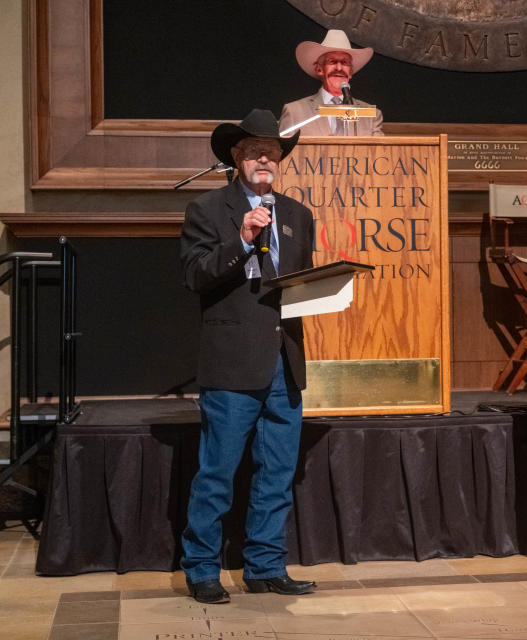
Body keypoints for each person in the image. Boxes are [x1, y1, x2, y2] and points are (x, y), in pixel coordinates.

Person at [179, 108, 316, 604]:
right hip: (233, 362)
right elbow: (195, 276)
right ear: (237, 158)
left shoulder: (299, 215)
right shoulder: (208, 211)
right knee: (217, 473)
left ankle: (265, 566)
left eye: (273, 151)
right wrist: (242, 240)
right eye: (256, 150)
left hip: (286, 361)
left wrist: (327, 291)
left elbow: (299, 285)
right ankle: (200, 569)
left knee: (277, 474)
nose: (266, 158)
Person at [279, 29, 384, 137]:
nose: (339, 68)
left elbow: (380, 153)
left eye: (344, 63)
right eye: (332, 62)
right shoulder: (294, 112)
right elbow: (282, 152)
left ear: (351, 72)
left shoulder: (371, 116)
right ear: (319, 69)